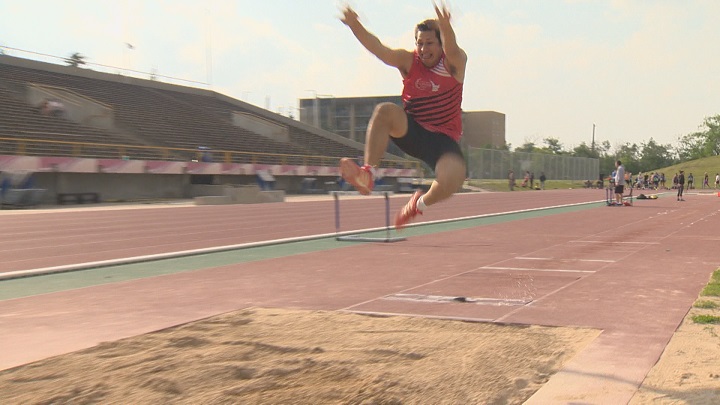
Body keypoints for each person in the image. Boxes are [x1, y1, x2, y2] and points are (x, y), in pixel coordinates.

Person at [338, 2, 467, 229]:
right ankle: (367, 174)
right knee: (385, 111)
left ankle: (419, 205)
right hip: (413, 131)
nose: (424, 49)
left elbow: (454, 49)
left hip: (443, 141)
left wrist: (446, 27)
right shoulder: (409, 61)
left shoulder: (453, 63)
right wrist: (354, 25)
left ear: (440, 44)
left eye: (430, 43)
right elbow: (380, 50)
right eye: (419, 43)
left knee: (453, 178)